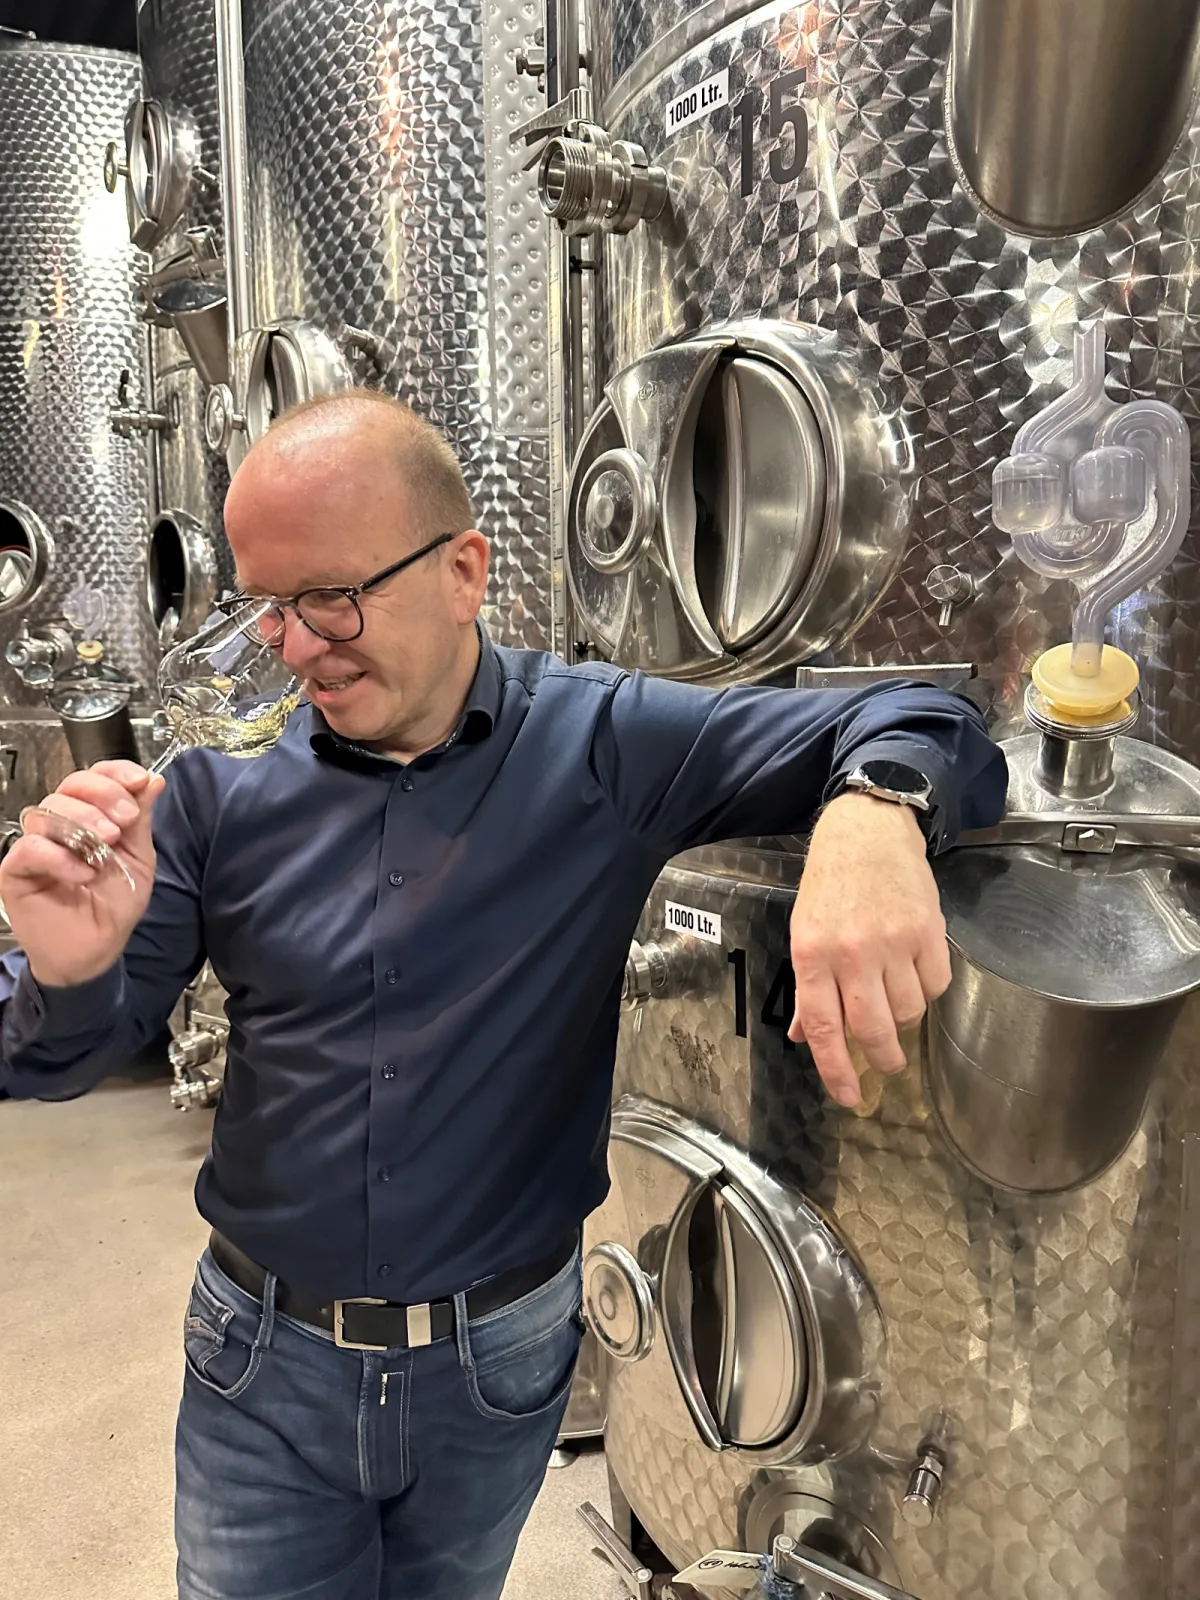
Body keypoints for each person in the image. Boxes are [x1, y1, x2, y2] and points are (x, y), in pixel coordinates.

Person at [0, 390, 1006, 1600]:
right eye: (271, 609)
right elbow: (53, 1056)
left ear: (464, 569)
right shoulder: (219, 792)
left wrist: (875, 813)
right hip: (264, 1359)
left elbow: (922, 712)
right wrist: (64, 971)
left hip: (497, 1364)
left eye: (333, 597)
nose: (298, 646)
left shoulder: (602, 742)